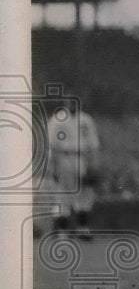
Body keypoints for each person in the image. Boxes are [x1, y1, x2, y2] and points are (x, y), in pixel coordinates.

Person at [47, 101, 101, 240]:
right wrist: (52, 166)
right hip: (63, 157)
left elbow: (93, 144)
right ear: (65, 102)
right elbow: (51, 145)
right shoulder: (57, 119)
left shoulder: (86, 119)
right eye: (69, 101)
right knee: (62, 193)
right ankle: (62, 232)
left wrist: (93, 164)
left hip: (81, 157)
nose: (72, 104)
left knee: (85, 193)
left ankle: (83, 229)